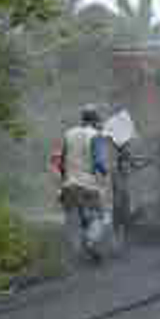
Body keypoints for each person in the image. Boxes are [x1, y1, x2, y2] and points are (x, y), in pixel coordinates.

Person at [54, 104, 109, 261]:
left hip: (69, 186)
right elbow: (99, 162)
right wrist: (106, 173)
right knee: (99, 216)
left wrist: (65, 179)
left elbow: (62, 162)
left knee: (78, 217)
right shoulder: (95, 136)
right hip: (87, 186)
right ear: (96, 120)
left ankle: (75, 252)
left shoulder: (69, 133)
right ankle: (90, 242)